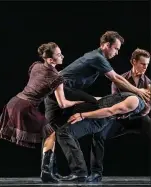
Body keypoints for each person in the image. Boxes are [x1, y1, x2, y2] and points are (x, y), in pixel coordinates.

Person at [0, 42, 85, 183]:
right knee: (51, 134)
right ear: (50, 60)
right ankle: (46, 172)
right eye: (59, 54)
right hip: (25, 106)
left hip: (14, 102)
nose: (63, 56)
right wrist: (80, 102)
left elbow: (38, 79)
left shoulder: (36, 66)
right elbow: (63, 104)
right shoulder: (57, 79)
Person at [44, 31, 150, 181]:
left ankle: (52, 172)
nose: (117, 52)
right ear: (106, 45)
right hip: (62, 90)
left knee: (57, 131)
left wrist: (83, 115)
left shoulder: (144, 87)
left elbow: (119, 106)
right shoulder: (97, 57)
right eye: (116, 48)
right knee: (93, 110)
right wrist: (138, 91)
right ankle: (87, 173)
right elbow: (115, 80)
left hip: (66, 94)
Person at [88, 48, 151, 182]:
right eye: (142, 64)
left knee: (148, 122)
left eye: (147, 64)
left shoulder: (148, 83)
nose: (145, 67)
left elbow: (146, 110)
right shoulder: (119, 79)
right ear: (134, 62)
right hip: (119, 118)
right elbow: (115, 102)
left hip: (137, 118)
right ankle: (96, 173)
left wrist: (145, 106)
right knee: (98, 135)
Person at [56, 91, 147, 182]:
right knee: (93, 137)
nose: (146, 91)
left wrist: (82, 115)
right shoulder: (130, 96)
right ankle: (85, 173)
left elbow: (110, 111)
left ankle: (80, 173)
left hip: (98, 120)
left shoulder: (134, 100)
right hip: (96, 115)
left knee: (64, 133)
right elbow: (106, 99)